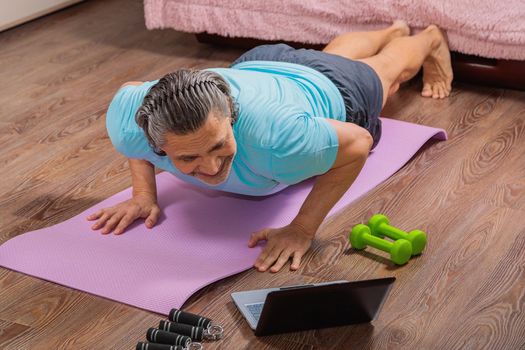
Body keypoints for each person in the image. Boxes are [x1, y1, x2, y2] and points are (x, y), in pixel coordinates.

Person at [87, 21, 453, 273]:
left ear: (231, 116)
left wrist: (302, 229)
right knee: (328, 57)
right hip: (256, 66)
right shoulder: (130, 123)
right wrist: (142, 194)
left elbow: (359, 144)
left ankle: (429, 38)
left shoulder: (277, 140)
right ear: (155, 143)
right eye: (189, 157)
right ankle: (391, 28)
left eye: (219, 146)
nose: (212, 168)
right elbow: (134, 89)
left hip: (333, 88)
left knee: (388, 74)